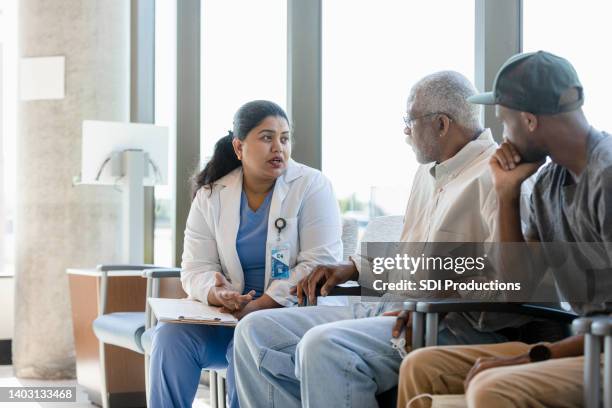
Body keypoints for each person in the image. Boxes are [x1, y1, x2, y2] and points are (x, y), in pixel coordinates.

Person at [233, 72, 559, 408]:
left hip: (451, 324)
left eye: (410, 120)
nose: (405, 131)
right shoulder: (428, 173)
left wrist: (437, 300)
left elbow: (512, 283)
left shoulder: (499, 178)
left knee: (324, 347)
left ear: (442, 125)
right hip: (389, 307)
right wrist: (351, 268)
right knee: (255, 331)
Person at [397, 51, 612, 408]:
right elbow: (516, 286)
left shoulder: (605, 176)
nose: (501, 136)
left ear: (529, 121)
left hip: (600, 347)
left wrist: (534, 356)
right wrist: (506, 193)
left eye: (505, 122)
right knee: (422, 366)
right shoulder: (546, 185)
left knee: (492, 388)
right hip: (587, 345)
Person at [148, 100, 343, 408]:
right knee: (171, 336)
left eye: (284, 138)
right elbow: (194, 268)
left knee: (248, 341)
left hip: (286, 317)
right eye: (266, 137)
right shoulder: (211, 195)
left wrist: (261, 305)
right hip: (226, 317)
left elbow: (319, 262)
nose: (278, 147)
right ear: (239, 147)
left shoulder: (311, 185)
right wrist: (216, 293)